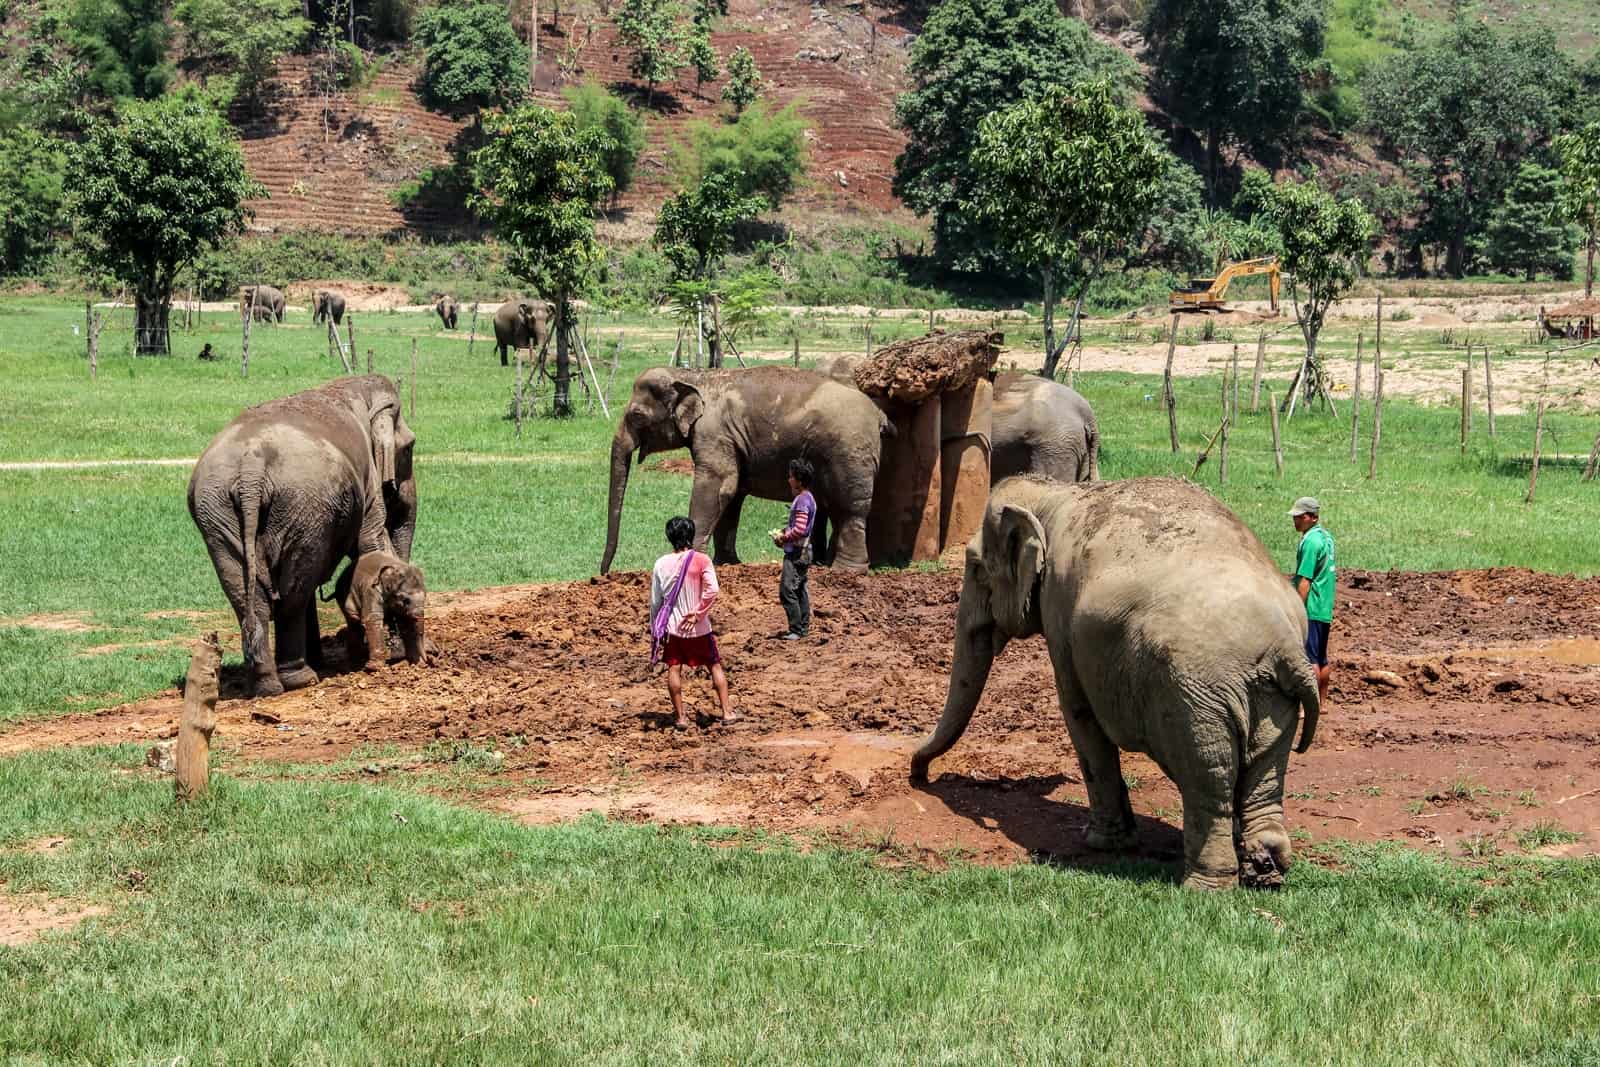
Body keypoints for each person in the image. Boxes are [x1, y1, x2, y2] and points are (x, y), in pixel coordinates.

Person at [650, 516, 737, 729]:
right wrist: (698, 613)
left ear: (669, 537)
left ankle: (680, 718)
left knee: (674, 668)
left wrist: (655, 629)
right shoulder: (702, 560)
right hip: (699, 628)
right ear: (691, 535)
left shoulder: (661, 564)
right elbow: (713, 590)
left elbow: (655, 602)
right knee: (714, 666)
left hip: (673, 629)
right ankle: (727, 712)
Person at [1290, 496, 1335, 708]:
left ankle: (1310, 707)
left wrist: (1297, 609)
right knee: (1322, 657)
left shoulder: (1310, 542)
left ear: (1310, 517)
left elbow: (1305, 579)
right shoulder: (1326, 538)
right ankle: (1322, 704)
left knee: (1310, 660)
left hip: (1311, 607)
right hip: (1324, 606)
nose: (1295, 521)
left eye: (1298, 517)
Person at [772, 457, 816, 640]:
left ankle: (796, 629)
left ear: (798, 479)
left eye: (791, 477)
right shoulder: (808, 498)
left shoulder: (802, 501)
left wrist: (783, 537)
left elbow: (799, 529)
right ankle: (803, 627)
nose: (789, 480)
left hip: (797, 553)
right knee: (799, 588)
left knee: (786, 590)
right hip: (804, 551)